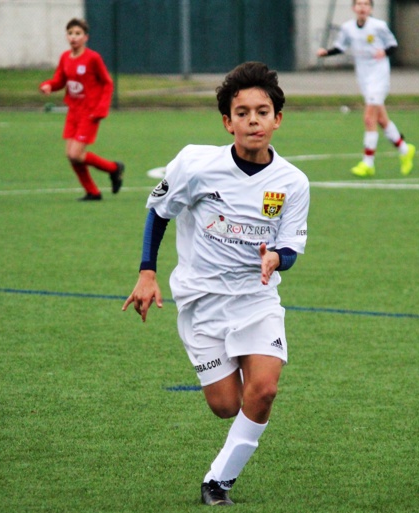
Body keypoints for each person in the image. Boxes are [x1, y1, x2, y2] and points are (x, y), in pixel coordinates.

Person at [123, 62, 310, 506]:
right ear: (227, 122)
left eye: (262, 111)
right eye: (241, 112)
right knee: (227, 405)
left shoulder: (292, 183)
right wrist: (147, 272)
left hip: (256, 300)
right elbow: (159, 211)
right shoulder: (195, 164)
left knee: (263, 390)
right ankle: (234, 412)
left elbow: (292, 249)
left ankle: (218, 482)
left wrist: (275, 258)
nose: (253, 121)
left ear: (277, 119)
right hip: (201, 303)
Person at [317, 0, 415, 177]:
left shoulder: (379, 26)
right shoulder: (347, 28)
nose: (362, 7)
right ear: (353, 8)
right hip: (363, 77)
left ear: (371, 9)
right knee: (381, 119)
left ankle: (368, 163)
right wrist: (327, 52)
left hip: (379, 75)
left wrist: (384, 52)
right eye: (359, 4)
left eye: (366, 4)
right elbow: (341, 46)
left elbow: (393, 45)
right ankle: (404, 149)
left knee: (369, 118)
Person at [40, 18, 124, 201]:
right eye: (70, 33)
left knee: (75, 153)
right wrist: (48, 85)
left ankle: (113, 168)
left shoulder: (93, 58)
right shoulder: (65, 57)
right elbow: (59, 81)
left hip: (90, 112)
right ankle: (93, 191)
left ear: (86, 37)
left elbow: (107, 83)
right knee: (71, 156)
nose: (73, 37)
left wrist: (101, 109)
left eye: (78, 34)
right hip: (74, 111)